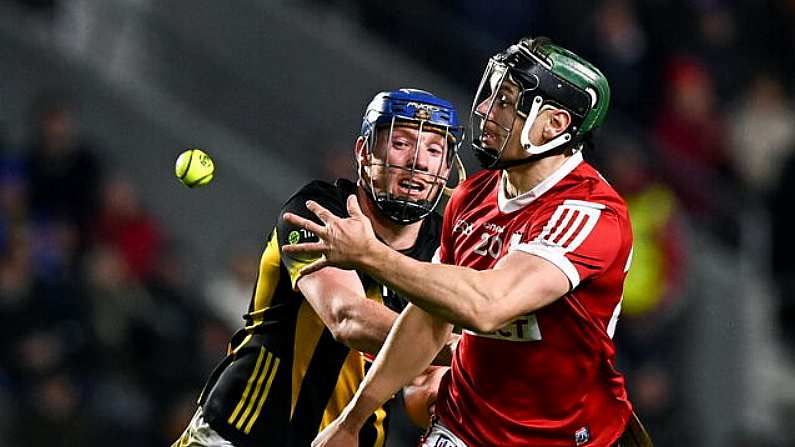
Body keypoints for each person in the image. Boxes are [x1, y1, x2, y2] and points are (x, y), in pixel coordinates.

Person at [284, 37, 653, 446]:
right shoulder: (471, 197)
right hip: (463, 426)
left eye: (506, 100)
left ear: (555, 124)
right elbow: (429, 317)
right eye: (490, 94)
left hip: (565, 437)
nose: (485, 110)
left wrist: (369, 255)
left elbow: (486, 306)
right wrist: (352, 421)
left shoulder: (589, 213)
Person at [172, 88, 464, 447]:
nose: (418, 161)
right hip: (239, 435)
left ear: (446, 168)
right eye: (401, 143)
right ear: (364, 152)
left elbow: (422, 384)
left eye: (434, 150)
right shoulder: (317, 210)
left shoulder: (447, 250)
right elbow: (348, 318)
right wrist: (466, 349)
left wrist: (438, 389)